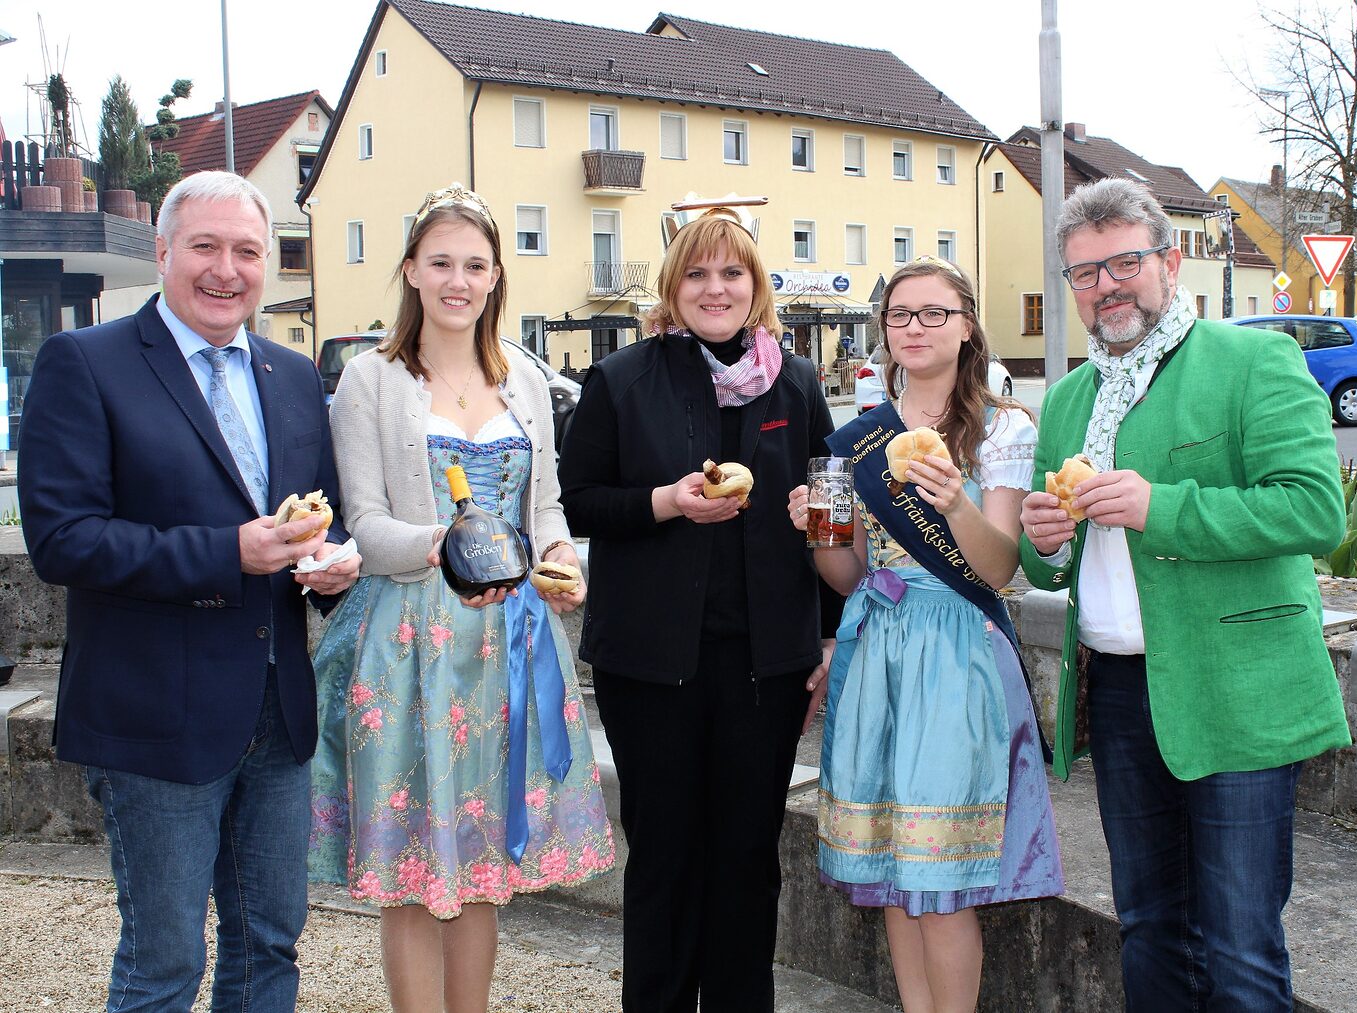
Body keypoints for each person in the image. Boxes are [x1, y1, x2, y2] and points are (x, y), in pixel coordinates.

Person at [18, 170, 360, 1012]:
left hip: (278, 715)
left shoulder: (290, 375)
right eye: (205, 246)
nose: (227, 269)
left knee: (270, 949)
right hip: (152, 718)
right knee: (164, 963)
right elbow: (61, 539)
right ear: (164, 251)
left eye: (247, 250)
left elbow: (320, 517)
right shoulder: (85, 363)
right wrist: (226, 553)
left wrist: (331, 566)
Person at [1018, 177, 1351, 1012]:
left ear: (1171, 261)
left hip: (1237, 683)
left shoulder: (1252, 360)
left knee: (1240, 942)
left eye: (1124, 262)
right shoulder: (1067, 398)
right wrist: (1043, 539)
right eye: (1085, 272)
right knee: (1148, 926)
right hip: (1122, 691)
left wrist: (1161, 507)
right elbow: (1046, 563)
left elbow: (1315, 509)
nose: (1106, 286)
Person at [306, 183, 614, 1012]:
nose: (458, 279)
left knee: (481, 861)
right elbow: (364, 522)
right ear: (410, 270)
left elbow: (543, 505)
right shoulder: (371, 377)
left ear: (495, 276)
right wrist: (438, 543)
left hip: (508, 638)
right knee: (412, 863)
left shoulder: (522, 376)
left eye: (475, 264)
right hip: (411, 636)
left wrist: (558, 558)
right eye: (440, 261)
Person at [556, 204, 841, 1012]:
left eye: (733, 273)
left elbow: (831, 509)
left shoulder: (799, 381)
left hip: (767, 664)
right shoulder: (620, 379)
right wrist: (663, 502)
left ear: (756, 287)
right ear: (674, 286)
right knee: (664, 857)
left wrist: (825, 632)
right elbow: (575, 502)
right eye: (699, 273)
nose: (716, 289)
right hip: (648, 663)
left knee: (748, 856)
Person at [792, 257, 1063, 1012]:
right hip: (876, 644)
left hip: (958, 652)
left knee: (939, 880)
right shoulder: (855, 436)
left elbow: (1001, 565)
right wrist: (817, 530)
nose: (915, 327)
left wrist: (954, 504)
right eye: (900, 314)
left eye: (933, 313)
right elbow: (845, 575)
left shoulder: (1001, 427)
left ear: (967, 323)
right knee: (891, 872)